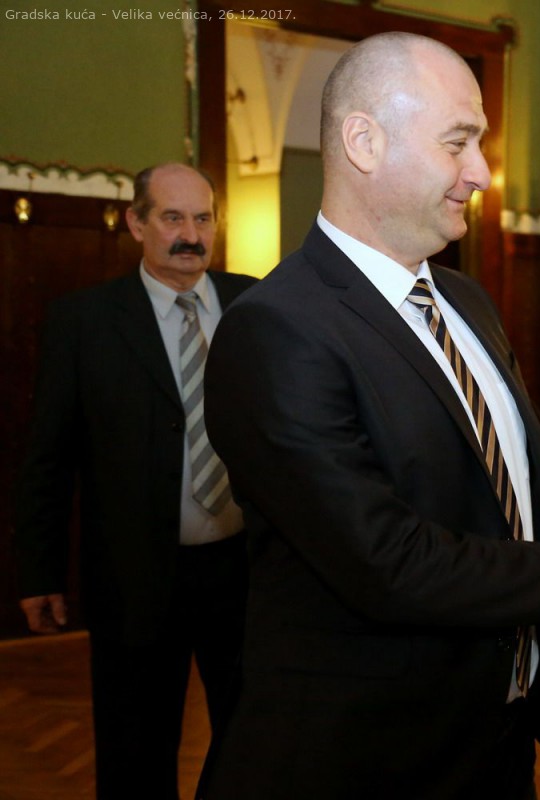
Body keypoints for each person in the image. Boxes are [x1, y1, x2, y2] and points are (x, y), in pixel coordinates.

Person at [197, 32, 540, 800]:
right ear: (364, 142)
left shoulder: (464, 300)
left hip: (499, 734)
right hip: (369, 757)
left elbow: (533, 473)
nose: (481, 173)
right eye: (457, 142)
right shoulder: (277, 331)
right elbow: (390, 563)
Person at [12, 163, 257, 799]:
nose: (191, 235)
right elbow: (48, 457)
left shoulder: (256, 305)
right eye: (172, 218)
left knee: (254, 744)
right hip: (134, 578)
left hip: (245, 574)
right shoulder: (85, 321)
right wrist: (39, 572)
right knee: (135, 752)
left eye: (202, 219)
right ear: (136, 224)